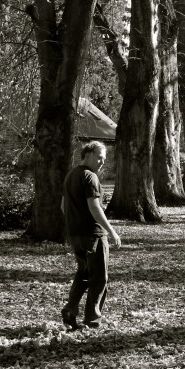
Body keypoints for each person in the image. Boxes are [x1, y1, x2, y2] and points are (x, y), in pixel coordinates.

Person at [60, 141, 121, 329]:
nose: (102, 162)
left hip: (75, 234)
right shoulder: (90, 177)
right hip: (93, 235)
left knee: (84, 273)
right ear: (87, 155)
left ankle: (71, 309)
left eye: (104, 158)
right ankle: (92, 319)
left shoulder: (70, 175)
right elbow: (95, 208)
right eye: (99, 157)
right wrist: (111, 231)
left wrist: (75, 223)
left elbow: (63, 207)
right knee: (99, 277)